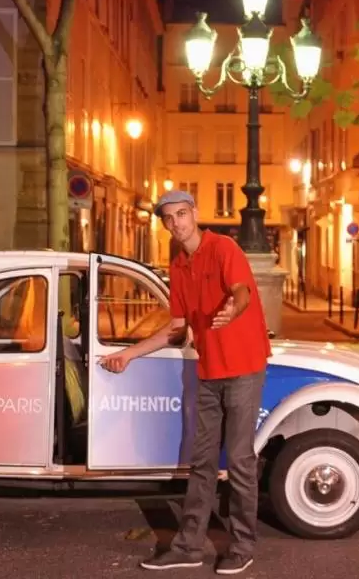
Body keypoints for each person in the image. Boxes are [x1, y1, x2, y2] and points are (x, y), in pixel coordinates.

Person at [99, 190, 270, 576]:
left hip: (243, 368)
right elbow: (176, 329)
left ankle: (242, 546)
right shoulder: (177, 264)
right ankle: (189, 545)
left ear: (194, 213)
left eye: (181, 214)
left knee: (240, 460)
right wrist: (129, 354)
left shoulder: (223, 248)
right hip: (208, 371)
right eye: (168, 218)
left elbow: (242, 290)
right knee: (202, 462)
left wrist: (233, 308)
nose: (176, 222)